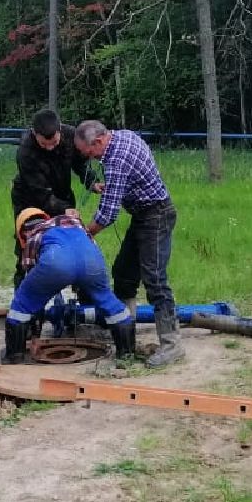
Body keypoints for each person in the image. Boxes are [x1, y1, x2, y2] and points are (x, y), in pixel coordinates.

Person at [74, 120, 183, 368]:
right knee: (123, 273)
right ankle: (125, 333)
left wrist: (85, 233)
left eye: (89, 152)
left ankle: (171, 345)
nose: (90, 158)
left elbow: (109, 213)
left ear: (99, 141)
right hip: (143, 215)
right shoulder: (123, 136)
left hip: (156, 215)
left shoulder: (116, 160)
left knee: (154, 279)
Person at [3, 208, 135, 364]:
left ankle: (15, 356)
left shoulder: (33, 234)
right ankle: (126, 355)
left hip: (57, 262)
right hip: (92, 260)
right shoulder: (71, 223)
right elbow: (89, 242)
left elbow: (32, 275)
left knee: (23, 303)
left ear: (21, 232)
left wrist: (35, 328)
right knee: (109, 303)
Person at [9, 109, 99, 287]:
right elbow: (40, 193)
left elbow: (81, 162)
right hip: (30, 200)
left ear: (60, 130)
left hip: (62, 192)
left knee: (73, 238)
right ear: (34, 134)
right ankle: (23, 293)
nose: (50, 147)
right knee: (28, 243)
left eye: (54, 142)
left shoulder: (72, 135)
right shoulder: (25, 152)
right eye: (44, 144)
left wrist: (91, 182)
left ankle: (82, 293)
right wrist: (64, 209)